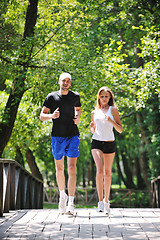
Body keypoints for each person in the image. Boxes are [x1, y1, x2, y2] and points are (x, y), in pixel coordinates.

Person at [40, 72, 81, 215]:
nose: (66, 83)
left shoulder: (75, 96)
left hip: (72, 135)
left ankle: (71, 201)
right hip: (57, 137)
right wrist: (51, 116)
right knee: (59, 168)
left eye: (68, 81)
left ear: (70, 83)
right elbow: (41, 116)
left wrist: (77, 118)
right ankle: (62, 195)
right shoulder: (51, 97)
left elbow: (78, 109)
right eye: (63, 81)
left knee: (71, 168)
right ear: (59, 82)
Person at [90, 86, 123, 214]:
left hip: (109, 143)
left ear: (110, 98)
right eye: (102, 96)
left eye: (106, 96)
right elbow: (94, 130)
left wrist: (111, 121)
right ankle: (99, 202)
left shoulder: (113, 110)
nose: (104, 99)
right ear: (99, 97)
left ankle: (106, 201)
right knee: (99, 170)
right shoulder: (94, 112)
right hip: (96, 142)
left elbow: (120, 129)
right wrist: (92, 127)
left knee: (107, 173)